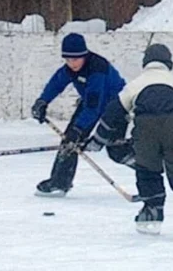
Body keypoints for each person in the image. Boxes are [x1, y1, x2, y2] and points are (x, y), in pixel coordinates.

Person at [92, 43, 173, 241]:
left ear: (145, 63)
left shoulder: (137, 83)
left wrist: (99, 139)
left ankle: (151, 212)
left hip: (145, 128)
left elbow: (114, 111)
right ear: (168, 63)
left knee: (148, 169)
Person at [30, 32, 131, 197]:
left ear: (84, 55)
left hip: (117, 105)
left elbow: (94, 108)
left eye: (75, 59)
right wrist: (42, 101)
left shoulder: (97, 69)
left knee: (116, 150)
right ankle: (59, 183)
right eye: (67, 60)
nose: (71, 64)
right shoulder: (71, 69)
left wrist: (79, 129)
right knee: (69, 139)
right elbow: (57, 83)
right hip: (92, 101)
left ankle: (148, 167)